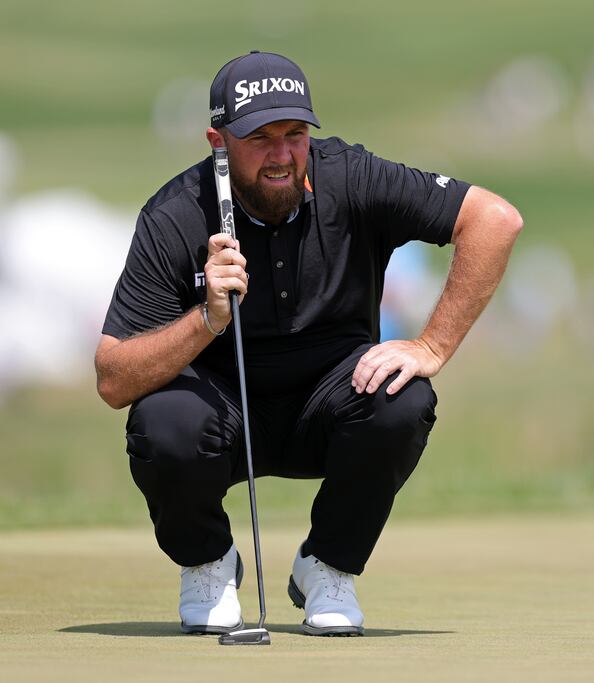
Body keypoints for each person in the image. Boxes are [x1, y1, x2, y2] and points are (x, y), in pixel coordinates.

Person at [94, 51, 522, 637]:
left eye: (294, 135)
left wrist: (431, 346)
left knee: (403, 397)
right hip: (220, 415)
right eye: (260, 138)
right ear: (218, 142)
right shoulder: (174, 216)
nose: (282, 155)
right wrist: (207, 320)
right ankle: (207, 565)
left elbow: (495, 221)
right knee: (162, 422)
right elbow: (113, 379)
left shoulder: (353, 178)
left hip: (331, 406)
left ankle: (328, 568)